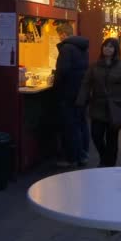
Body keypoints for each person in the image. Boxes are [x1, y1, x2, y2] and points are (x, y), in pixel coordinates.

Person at [76, 38, 121, 167]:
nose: (108, 49)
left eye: (111, 47)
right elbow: (86, 84)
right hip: (98, 106)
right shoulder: (95, 66)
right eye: (106, 46)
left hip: (115, 107)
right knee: (96, 135)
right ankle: (104, 158)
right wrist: (81, 101)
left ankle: (109, 165)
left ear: (115, 50)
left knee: (112, 139)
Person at [53, 22, 90, 167]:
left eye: (59, 35)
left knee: (70, 126)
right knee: (81, 123)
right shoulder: (82, 48)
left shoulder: (66, 48)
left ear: (63, 34)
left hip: (68, 92)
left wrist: (56, 85)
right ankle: (83, 154)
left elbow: (63, 70)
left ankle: (72, 157)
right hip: (80, 91)